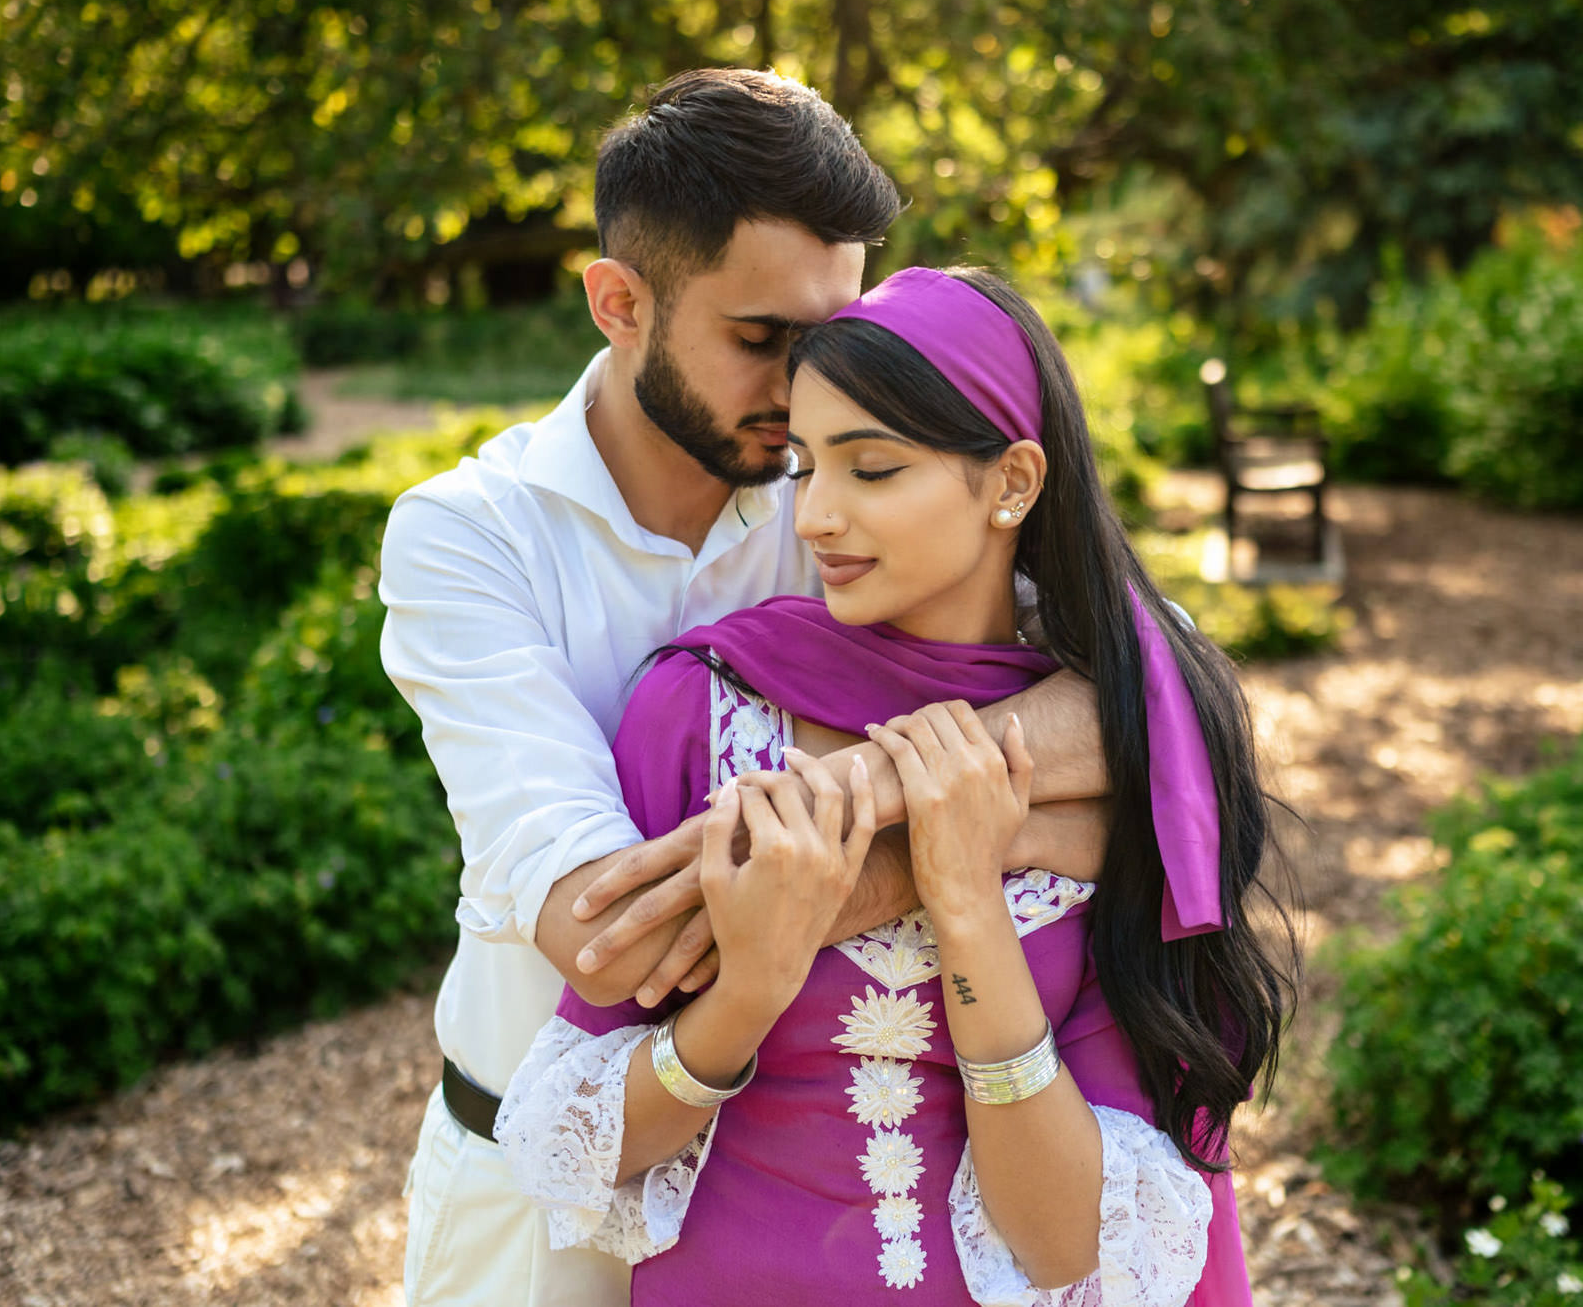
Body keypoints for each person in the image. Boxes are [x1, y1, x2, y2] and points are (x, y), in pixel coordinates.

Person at [379, 74, 1115, 1307]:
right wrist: (952, 847)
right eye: (762, 339)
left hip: (773, 1206)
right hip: (543, 1190)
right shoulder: (471, 537)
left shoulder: (836, 490)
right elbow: (612, 944)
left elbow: (1164, 702)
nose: (805, 381)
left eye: (830, 332)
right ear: (619, 302)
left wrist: (869, 786)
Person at [494, 267, 1299, 1304]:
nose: (817, 515)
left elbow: (1063, 1246)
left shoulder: (1132, 741)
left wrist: (965, 902)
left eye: (871, 469)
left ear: (1011, 481)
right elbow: (581, 1143)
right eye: (803, 466)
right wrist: (747, 988)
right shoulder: (701, 711)